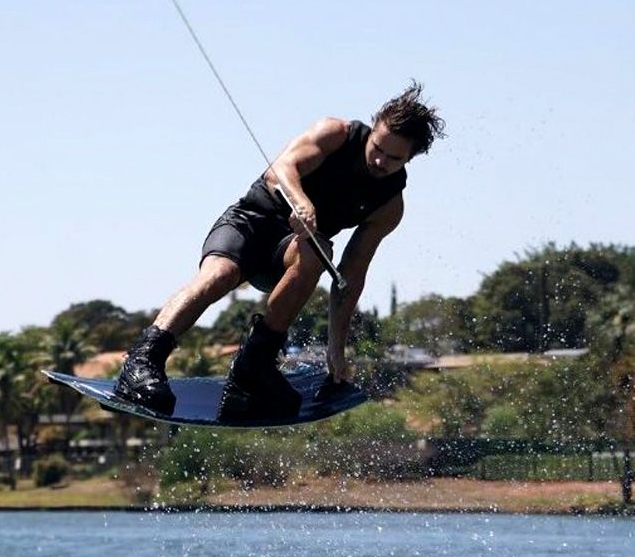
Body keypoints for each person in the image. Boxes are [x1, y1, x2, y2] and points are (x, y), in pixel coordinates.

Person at [114, 82, 445, 419]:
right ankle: (143, 360)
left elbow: (352, 275)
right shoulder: (335, 134)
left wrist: (336, 348)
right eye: (378, 148)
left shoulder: (388, 206)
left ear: (411, 158)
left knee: (319, 254)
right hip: (248, 224)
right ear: (373, 129)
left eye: (394, 158)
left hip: (289, 253)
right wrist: (302, 204)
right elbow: (281, 169)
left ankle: (252, 368)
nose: (380, 160)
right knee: (220, 275)